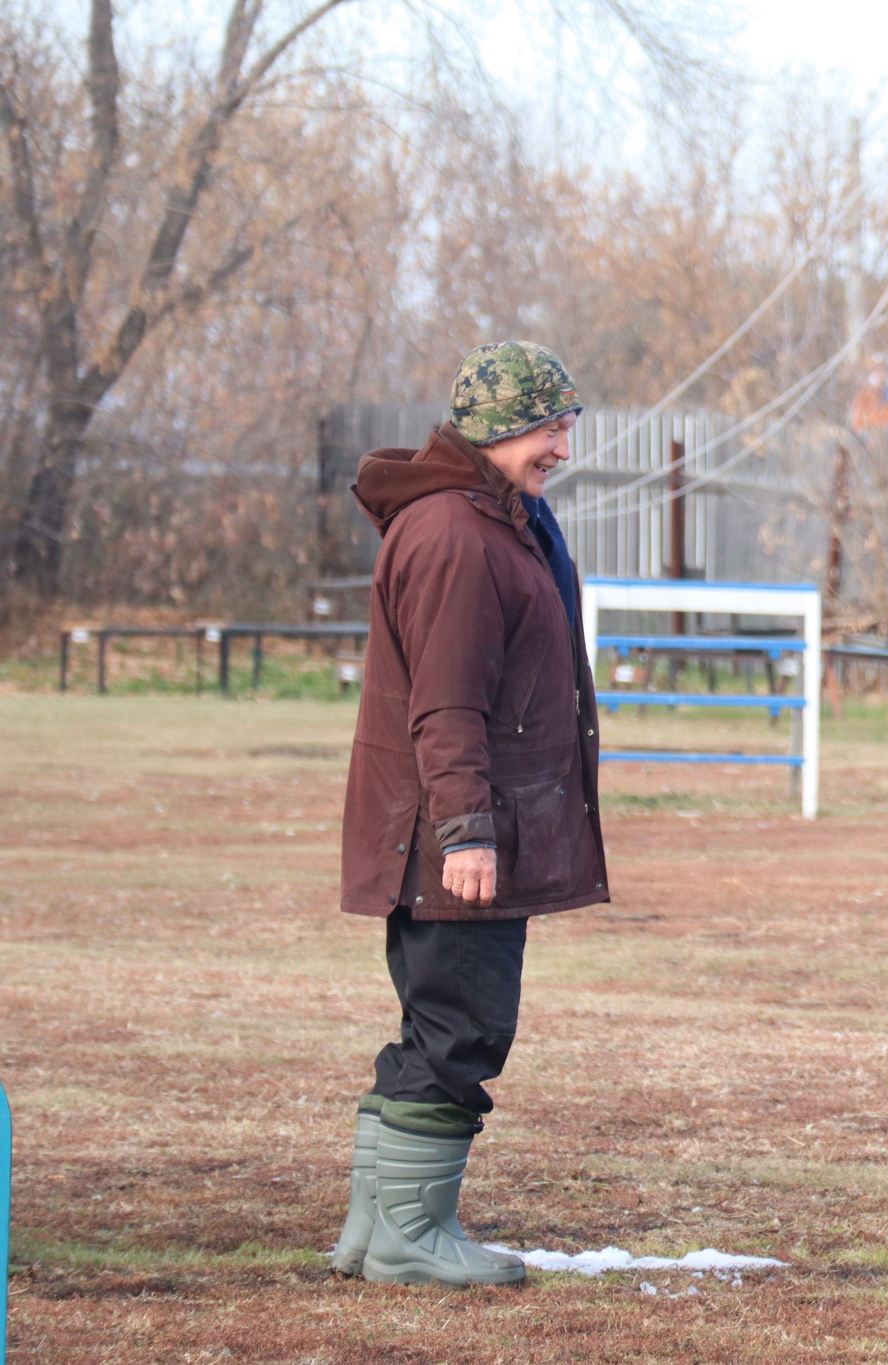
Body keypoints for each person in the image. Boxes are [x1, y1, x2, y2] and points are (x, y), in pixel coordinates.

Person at [329, 341, 609, 1287]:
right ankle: (412, 1235)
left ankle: (375, 1232)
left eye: (566, 425)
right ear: (497, 428)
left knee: (434, 1022)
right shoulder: (454, 533)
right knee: (461, 1025)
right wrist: (469, 831)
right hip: (453, 838)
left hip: (460, 830)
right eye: (550, 427)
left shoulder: (505, 518)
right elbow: (444, 703)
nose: (562, 447)